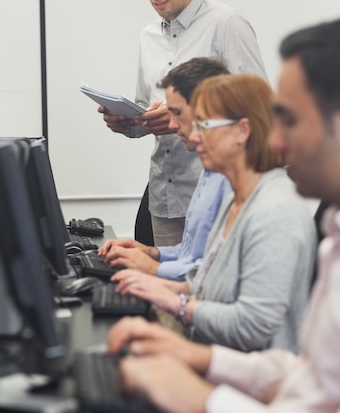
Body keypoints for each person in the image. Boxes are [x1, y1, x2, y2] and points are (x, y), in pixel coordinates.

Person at [107, 17, 340, 413]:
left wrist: (211, 403)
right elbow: (309, 375)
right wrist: (201, 358)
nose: (276, 142)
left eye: (290, 121)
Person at [112, 73, 317, 353]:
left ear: (243, 131)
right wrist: (151, 287)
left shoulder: (275, 211)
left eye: (204, 125)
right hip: (220, 356)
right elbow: (205, 283)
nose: (193, 135)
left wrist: (173, 301)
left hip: (252, 379)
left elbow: (252, 327)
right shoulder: (240, 201)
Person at [98, 0, 267, 246]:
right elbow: (145, 107)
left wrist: (185, 116)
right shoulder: (148, 35)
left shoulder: (226, 24)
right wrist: (129, 122)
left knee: (206, 288)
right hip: (164, 195)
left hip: (217, 195)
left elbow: (259, 111)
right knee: (162, 283)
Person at [98, 57, 232, 282]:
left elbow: (217, 274)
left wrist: (153, 270)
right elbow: (192, 253)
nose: (170, 125)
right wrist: (152, 253)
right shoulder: (211, 172)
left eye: (177, 113)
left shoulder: (235, 182)